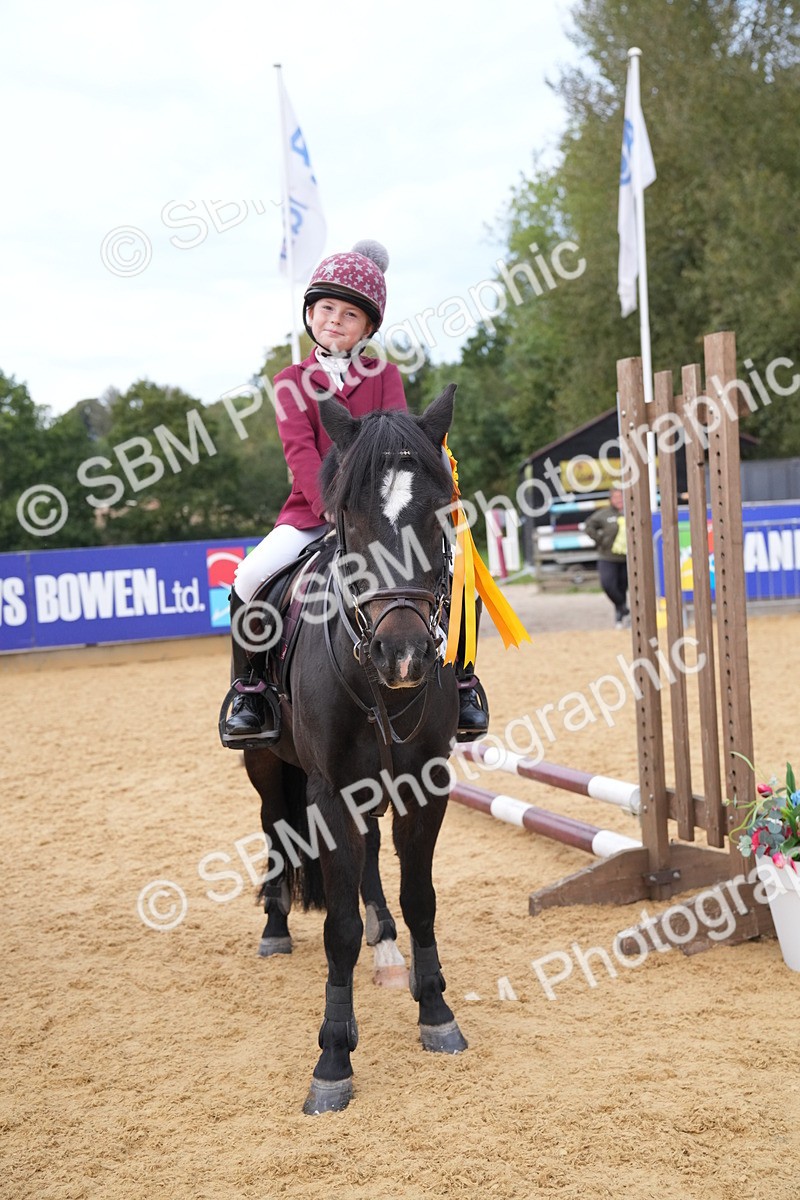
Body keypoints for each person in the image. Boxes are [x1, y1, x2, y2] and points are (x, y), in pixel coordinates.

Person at [223, 238, 489, 741]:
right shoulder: (289, 381)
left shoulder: (384, 375)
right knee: (250, 576)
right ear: (309, 313)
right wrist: (328, 507)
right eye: (325, 309)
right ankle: (250, 690)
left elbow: (396, 440)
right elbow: (299, 452)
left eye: (349, 315)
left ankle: (463, 680)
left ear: (368, 327)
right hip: (311, 513)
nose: (334, 321)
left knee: (459, 575)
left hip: (381, 516)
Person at [584, 487, 629, 628]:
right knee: (608, 584)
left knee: (622, 587)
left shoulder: (632, 512)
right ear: (611, 499)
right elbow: (589, 526)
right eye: (616, 498)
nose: (619, 501)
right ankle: (623, 607)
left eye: (621, 497)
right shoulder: (604, 514)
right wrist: (599, 540)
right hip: (608, 556)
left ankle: (620, 617)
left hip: (626, 558)